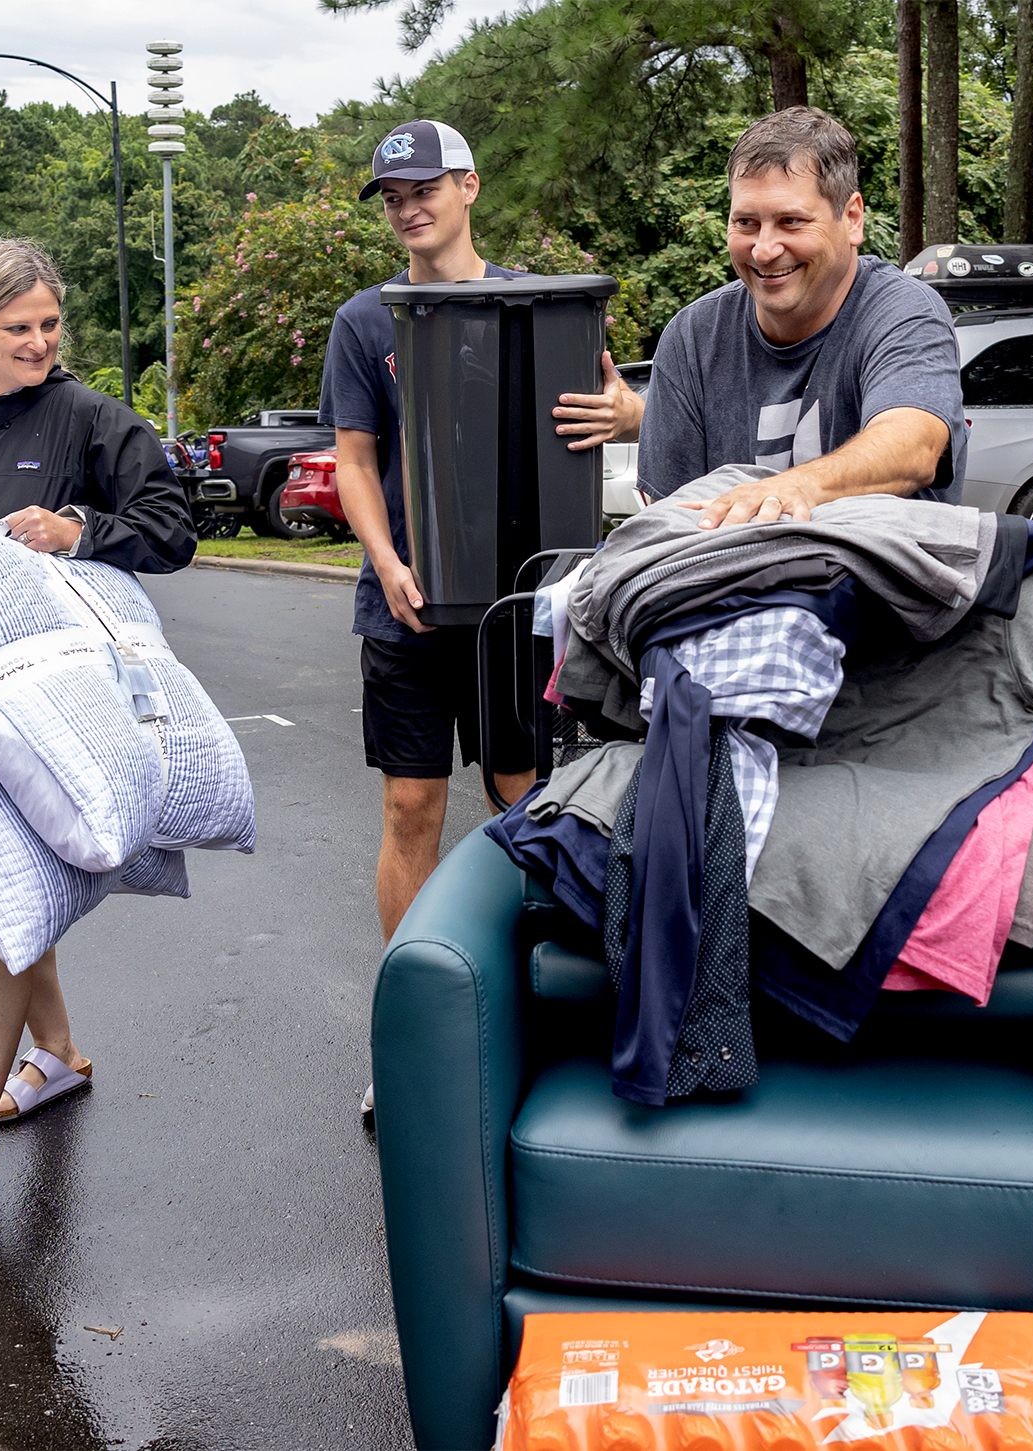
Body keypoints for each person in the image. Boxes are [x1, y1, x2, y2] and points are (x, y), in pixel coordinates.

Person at [322, 120, 643, 1122]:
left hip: (519, 607)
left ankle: (523, 1012)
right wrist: (386, 559)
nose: (406, 206)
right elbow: (356, 460)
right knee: (411, 810)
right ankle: (421, 1025)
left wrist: (628, 417)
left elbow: (618, 409)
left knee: (524, 804)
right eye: (390, 195)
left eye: (422, 187)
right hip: (409, 610)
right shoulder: (365, 322)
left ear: (467, 185)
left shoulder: (538, 308)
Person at [0, 237, 197, 1210]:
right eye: (16, 328)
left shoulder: (90, 419)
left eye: (49, 325)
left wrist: (78, 529)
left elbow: (174, 524)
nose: (37, 343)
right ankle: (57, 1049)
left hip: (45, 693)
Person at [636, 106, 965, 530]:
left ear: (851, 218)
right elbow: (669, 518)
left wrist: (795, 488)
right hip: (734, 590)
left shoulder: (903, 312)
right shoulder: (693, 336)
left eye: (791, 221)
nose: (764, 249)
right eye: (746, 223)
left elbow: (913, 449)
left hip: (877, 590)